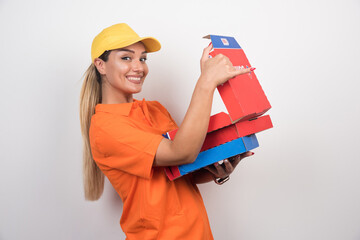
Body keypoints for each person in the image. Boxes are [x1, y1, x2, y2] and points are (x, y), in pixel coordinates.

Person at [80, 23, 254, 240]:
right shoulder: (105, 128)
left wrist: (216, 172)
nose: (139, 67)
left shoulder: (154, 109)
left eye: (143, 58)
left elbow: (180, 169)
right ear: (101, 65)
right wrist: (206, 82)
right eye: (126, 58)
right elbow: (181, 152)